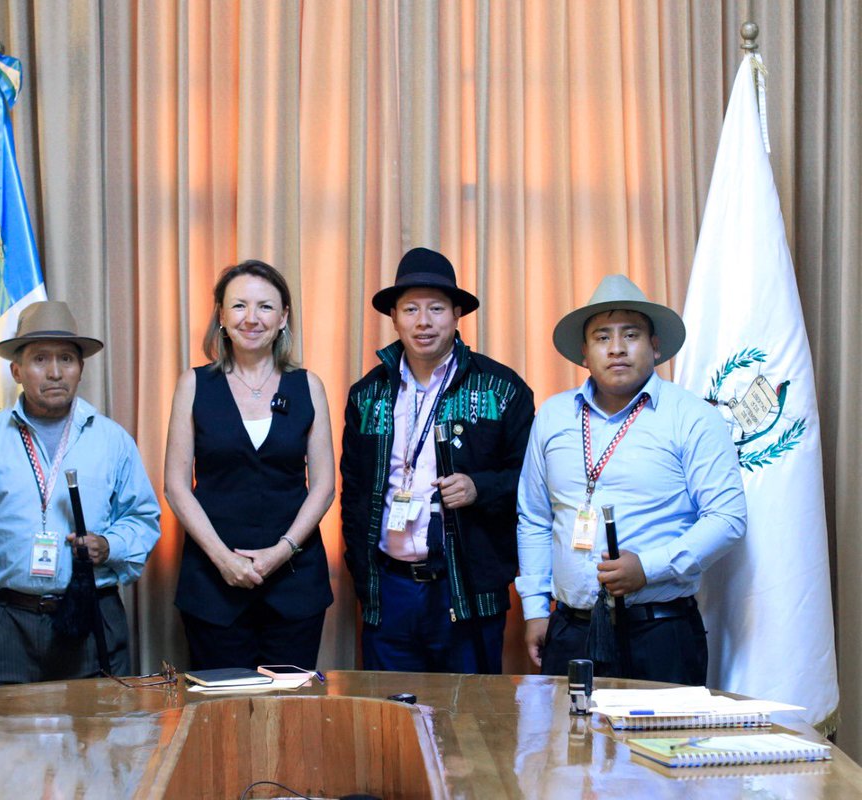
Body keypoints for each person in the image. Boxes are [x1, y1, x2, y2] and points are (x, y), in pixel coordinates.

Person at [516, 274, 747, 684]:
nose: (617, 348)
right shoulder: (552, 417)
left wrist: (650, 567)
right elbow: (533, 517)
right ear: (584, 353)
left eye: (631, 334)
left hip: (660, 632)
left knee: (658, 750)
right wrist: (536, 609)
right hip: (571, 631)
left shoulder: (693, 417)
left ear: (655, 347)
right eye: (602, 337)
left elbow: (727, 519)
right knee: (565, 748)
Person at [0, 300, 161, 684]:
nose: (55, 372)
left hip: (91, 613)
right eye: (40, 359)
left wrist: (108, 545)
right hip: (6, 618)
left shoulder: (113, 441)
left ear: (81, 369)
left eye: (66, 359)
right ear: (17, 371)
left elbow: (143, 519)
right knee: (7, 739)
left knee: (98, 738)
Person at [340, 247, 534, 673]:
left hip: (465, 587)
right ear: (394, 316)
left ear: (457, 314)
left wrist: (480, 487)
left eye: (436, 308)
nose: (422, 322)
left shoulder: (502, 389)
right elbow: (352, 492)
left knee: (471, 725)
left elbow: (533, 483)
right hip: (387, 588)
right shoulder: (366, 394)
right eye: (410, 309)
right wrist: (363, 573)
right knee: (390, 722)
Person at [165, 260, 335, 670]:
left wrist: (283, 551)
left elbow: (325, 485)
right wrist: (224, 559)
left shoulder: (308, 385)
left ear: (283, 318)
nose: (252, 318)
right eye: (239, 306)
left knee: (291, 715)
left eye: (265, 307)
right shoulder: (194, 384)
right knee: (220, 713)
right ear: (221, 316)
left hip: (295, 581)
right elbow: (175, 484)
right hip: (213, 584)